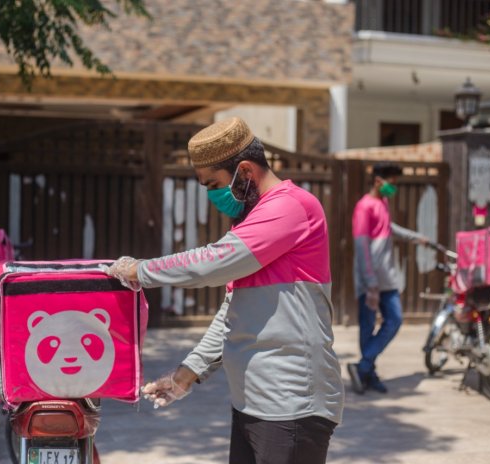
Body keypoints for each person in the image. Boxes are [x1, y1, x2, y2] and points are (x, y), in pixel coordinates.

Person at [107, 117, 344, 464]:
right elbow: (233, 311)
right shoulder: (254, 219)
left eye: (213, 184)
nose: (212, 195)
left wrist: (140, 271)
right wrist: (187, 374)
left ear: (245, 170)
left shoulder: (291, 207)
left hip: (291, 404)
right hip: (254, 401)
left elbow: (213, 262)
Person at [347, 162, 428, 395]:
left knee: (395, 320)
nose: (394, 188)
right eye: (391, 184)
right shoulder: (364, 207)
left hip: (387, 278)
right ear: (378, 181)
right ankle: (368, 373)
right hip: (370, 280)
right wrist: (370, 281)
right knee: (367, 325)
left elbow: (388, 228)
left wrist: (415, 237)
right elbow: (362, 246)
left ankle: (362, 366)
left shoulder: (382, 203)